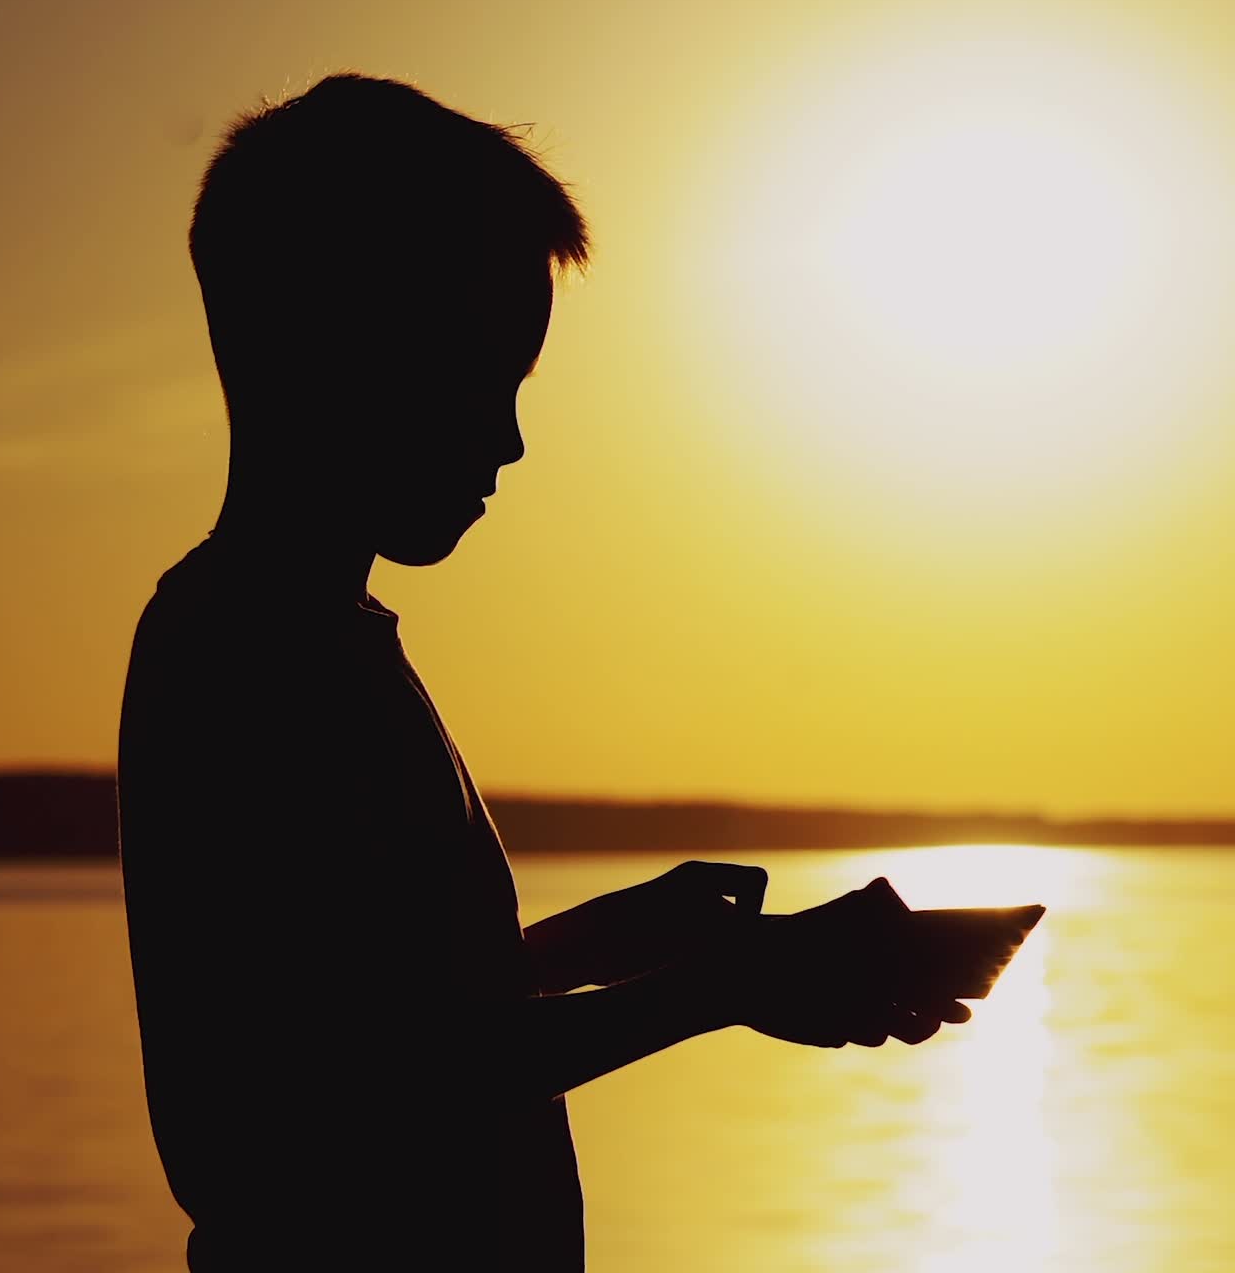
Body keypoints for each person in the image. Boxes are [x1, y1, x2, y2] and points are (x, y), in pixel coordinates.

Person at [116, 73, 971, 1272]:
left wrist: (603, 942)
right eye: (484, 377)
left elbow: (369, 1025)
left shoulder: (318, 636)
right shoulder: (244, 653)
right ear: (341, 349)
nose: (509, 438)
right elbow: (310, 1118)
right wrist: (721, 987)